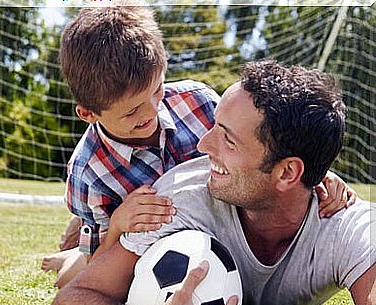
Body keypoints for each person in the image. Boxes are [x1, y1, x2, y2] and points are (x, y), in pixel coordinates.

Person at [46, 60, 375, 305]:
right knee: (80, 263)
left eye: (227, 140)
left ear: (288, 173)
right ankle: (73, 250)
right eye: (214, 126)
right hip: (116, 224)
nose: (203, 145)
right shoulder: (176, 201)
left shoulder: (346, 222)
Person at [41, 4, 355, 288]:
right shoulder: (89, 172)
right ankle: (71, 251)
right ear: (88, 114)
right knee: (73, 273)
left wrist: (313, 175)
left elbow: (259, 147)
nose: (152, 112)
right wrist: (118, 226)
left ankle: (74, 242)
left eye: (157, 90)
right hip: (128, 241)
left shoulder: (198, 102)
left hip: (200, 231)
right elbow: (98, 273)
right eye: (132, 111)